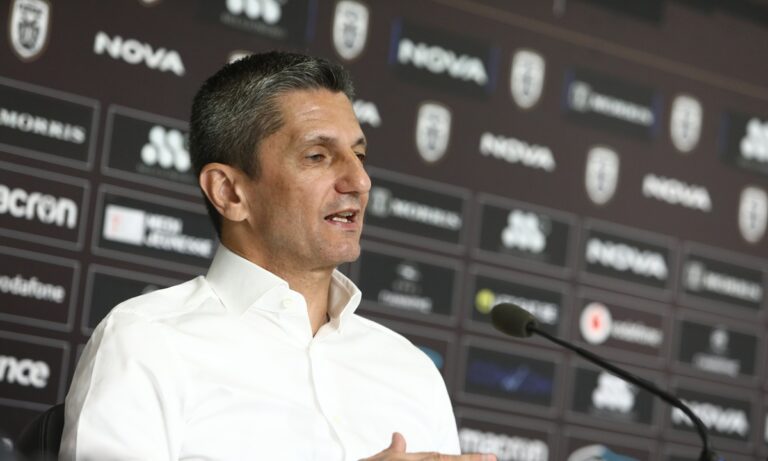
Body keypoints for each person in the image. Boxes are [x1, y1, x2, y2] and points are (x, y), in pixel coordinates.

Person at [59, 51, 495, 461]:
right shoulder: (146, 341)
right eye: (317, 156)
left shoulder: (412, 370)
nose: (359, 181)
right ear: (229, 192)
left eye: (359, 155)